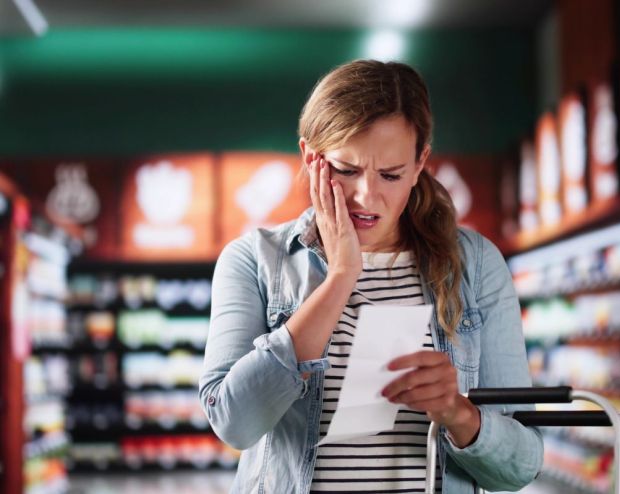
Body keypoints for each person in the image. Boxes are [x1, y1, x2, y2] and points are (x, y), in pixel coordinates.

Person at [199, 59, 543, 494]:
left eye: (391, 175)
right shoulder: (255, 260)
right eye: (346, 170)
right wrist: (341, 276)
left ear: (420, 163)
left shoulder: (475, 265)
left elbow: (522, 467)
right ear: (311, 157)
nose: (367, 195)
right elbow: (234, 424)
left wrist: (458, 413)